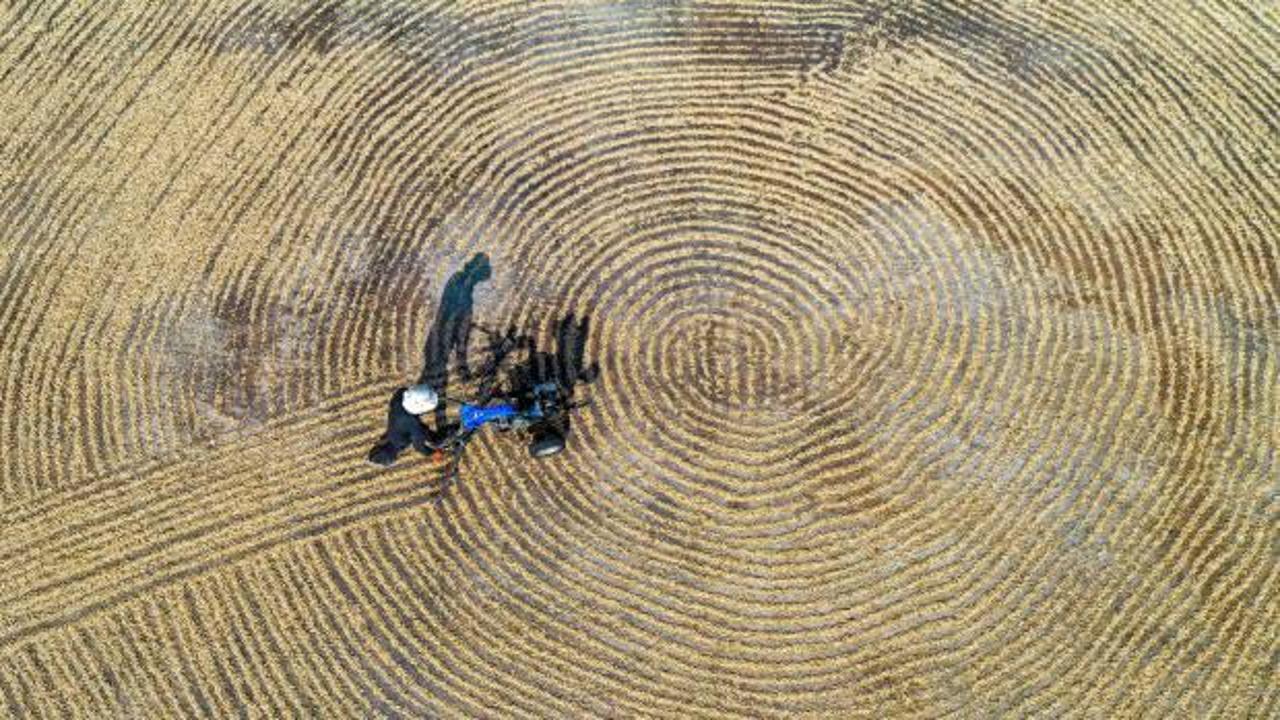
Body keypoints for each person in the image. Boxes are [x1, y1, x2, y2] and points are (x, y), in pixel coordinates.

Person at [366, 385, 443, 466]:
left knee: (437, 440)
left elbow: (419, 446)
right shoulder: (397, 401)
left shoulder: (404, 438)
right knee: (430, 436)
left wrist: (432, 453)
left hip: (411, 426)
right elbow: (401, 390)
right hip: (405, 420)